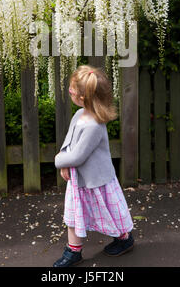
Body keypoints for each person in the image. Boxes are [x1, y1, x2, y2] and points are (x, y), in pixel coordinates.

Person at [53, 65, 134, 267]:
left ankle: (124, 239)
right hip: (79, 179)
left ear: (82, 97)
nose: (69, 91)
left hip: (98, 180)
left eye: (72, 89)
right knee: (73, 215)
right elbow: (69, 141)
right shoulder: (79, 115)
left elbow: (79, 155)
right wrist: (64, 156)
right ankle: (73, 251)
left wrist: (58, 161)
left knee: (109, 211)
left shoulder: (94, 125)